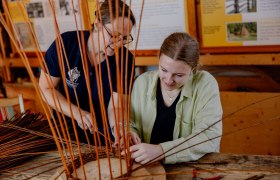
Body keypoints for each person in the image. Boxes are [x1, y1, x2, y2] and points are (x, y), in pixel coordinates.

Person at [39, 0, 136, 145]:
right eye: (115, 35)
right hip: (65, 134)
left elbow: (117, 105)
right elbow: (46, 89)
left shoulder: (125, 60)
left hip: (102, 136)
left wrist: (118, 127)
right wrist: (77, 113)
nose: (119, 43)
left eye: (124, 38)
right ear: (97, 24)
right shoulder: (66, 44)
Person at [127, 32, 223, 164]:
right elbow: (131, 123)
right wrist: (129, 133)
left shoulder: (205, 84)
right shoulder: (142, 82)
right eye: (163, 70)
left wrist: (161, 151)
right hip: (149, 167)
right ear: (158, 60)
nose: (168, 80)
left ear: (193, 70)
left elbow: (209, 136)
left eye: (178, 75)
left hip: (192, 167)